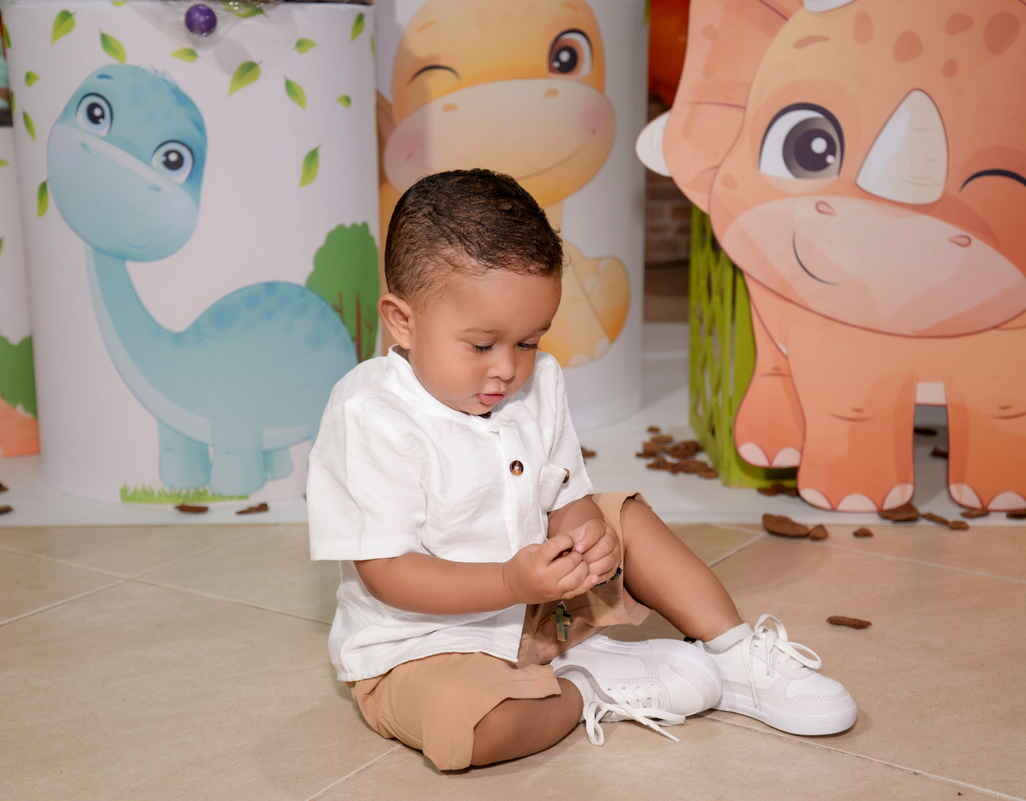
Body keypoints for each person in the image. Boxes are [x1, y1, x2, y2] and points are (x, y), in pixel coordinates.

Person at [307, 169, 857, 772]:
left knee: (628, 518)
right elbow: (388, 573)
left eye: (528, 341)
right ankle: (586, 688)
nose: (508, 370)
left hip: (542, 610)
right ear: (402, 320)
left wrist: (587, 536)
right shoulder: (368, 415)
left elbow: (566, 495)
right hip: (421, 648)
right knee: (474, 729)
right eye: (482, 345)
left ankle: (736, 655)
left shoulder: (539, 383)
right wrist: (510, 584)